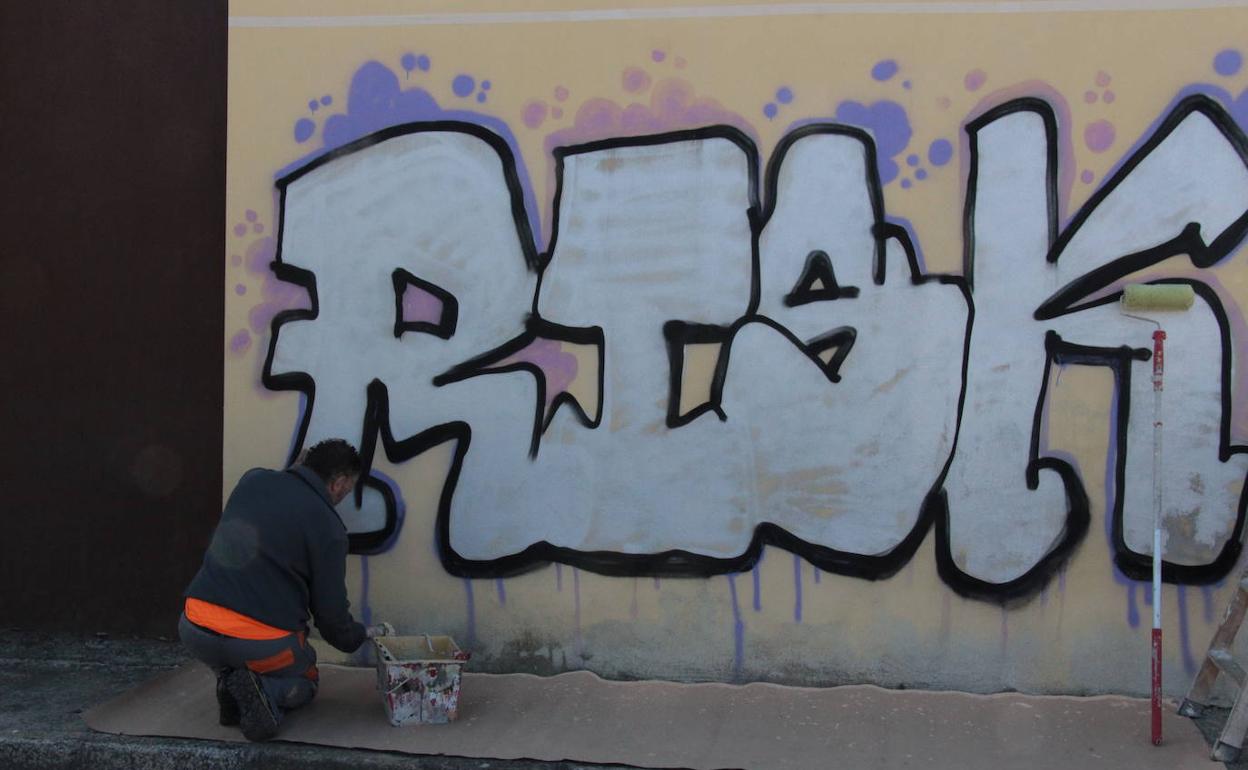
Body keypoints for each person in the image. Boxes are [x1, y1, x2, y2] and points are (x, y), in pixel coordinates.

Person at [178, 438, 392, 741]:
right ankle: (265, 693)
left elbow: (277, 507)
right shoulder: (329, 529)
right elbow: (332, 621)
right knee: (306, 678)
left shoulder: (253, 480)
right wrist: (360, 635)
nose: (345, 495)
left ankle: (230, 684)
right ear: (339, 482)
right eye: (349, 487)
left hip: (195, 625)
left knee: (235, 658)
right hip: (261, 643)